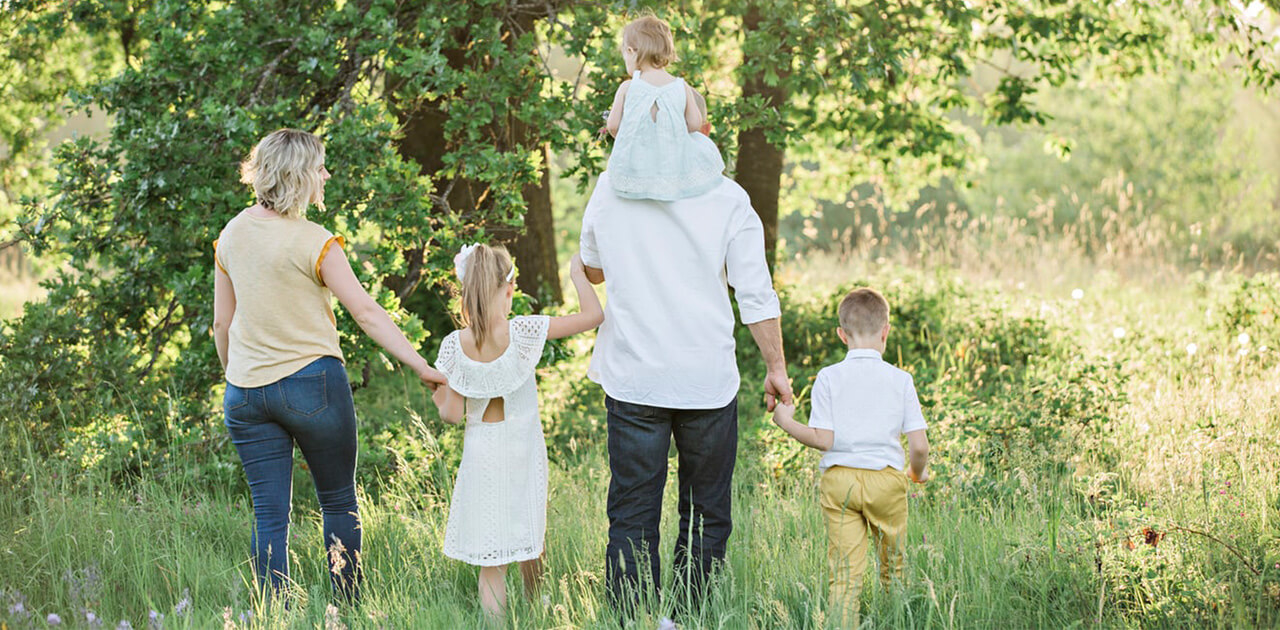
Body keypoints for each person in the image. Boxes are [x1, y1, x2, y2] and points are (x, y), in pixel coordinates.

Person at [212, 128, 447, 602]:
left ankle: (274, 611)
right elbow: (366, 313)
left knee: (268, 515)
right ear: (299, 175)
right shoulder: (316, 242)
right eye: (320, 167)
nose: (327, 175)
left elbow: (222, 324)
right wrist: (421, 365)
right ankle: (349, 606)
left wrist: (237, 377)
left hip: (245, 392)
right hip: (311, 385)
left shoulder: (231, 235)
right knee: (338, 502)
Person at [579, 150, 791, 611]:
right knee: (705, 510)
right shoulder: (728, 197)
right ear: (703, 132)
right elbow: (755, 292)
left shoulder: (610, 188)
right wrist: (776, 367)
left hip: (635, 375)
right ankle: (687, 617)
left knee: (632, 510)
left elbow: (592, 267)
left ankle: (632, 619)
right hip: (705, 377)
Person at [430, 244, 604, 619]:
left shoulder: (454, 346)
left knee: (492, 559)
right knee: (531, 533)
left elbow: (452, 415)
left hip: (481, 454)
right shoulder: (524, 332)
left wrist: (438, 395)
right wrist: (577, 275)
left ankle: (496, 624)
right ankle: (536, 609)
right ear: (508, 289)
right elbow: (593, 316)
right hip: (523, 449)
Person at [771, 287, 930, 628]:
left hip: (840, 480)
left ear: (841, 334)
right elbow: (919, 446)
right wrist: (918, 474)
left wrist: (787, 422)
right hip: (886, 481)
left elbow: (822, 440)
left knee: (844, 574)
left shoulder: (828, 377)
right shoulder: (901, 380)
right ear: (886, 331)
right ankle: (897, 620)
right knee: (894, 565)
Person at [603, 13, 725, 201]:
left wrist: (632, 139)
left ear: (630, 51)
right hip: (671, 164)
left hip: (638, 164)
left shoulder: (627, 87)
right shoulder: (681, 86)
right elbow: (694, 124)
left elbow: (612, 126)